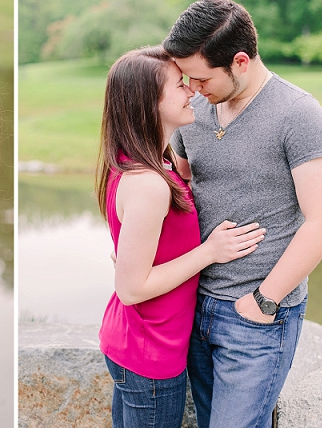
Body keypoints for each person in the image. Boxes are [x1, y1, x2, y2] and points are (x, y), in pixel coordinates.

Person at [163, 0, 322, 428]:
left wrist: (264, 300)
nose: (192, 87)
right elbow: (180, 186)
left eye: (201, 78)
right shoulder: (196, 109)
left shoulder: (299, 114)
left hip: (256, 316)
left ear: (239, 61)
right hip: (194, 305)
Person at [96, 46, 265, 428]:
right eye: (179, 85)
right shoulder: (148, 183)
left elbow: (132, 250)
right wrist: (210, 252)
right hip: (149, 356)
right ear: (148, 104)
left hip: (142, 344)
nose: (191, 91)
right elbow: (131, 288)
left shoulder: (156, 162)